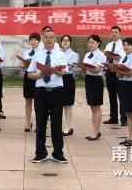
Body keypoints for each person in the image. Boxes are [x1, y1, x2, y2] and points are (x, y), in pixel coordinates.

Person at [27, 30, 68, 164]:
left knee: (57, 123)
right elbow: (29, 74)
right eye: (46, 37)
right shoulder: (37, 55)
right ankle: (40, 153)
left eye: (51, 37)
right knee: (40, 122)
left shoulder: (61, 54)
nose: (49, 40)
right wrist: (39, 75)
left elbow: (63, 73)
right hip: (41, 92)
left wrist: (56, 71)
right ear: (42, 40)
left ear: (55, 39)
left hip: (56, 91)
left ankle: (58, 153)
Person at [114, 38, 132, 146]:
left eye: (128, 45)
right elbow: (118, 74)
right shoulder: (122, 58)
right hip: (123, 85)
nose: (126, 47)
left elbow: (130, 73)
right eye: (124, 44)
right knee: (128, 113)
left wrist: (120, 71)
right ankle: (129, 137)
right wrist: (118, 71)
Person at [82, 34, 106, 141]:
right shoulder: (87, 54)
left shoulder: (101, 55)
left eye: (93, 42)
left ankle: (96, 132)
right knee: (92, 107)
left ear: (98, 43)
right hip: (88, 80)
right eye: (89, 42)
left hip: (96, 80)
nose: (90, 44)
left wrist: (86, 67)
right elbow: (85, 69)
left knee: (96, 106)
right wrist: (82, 68)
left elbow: (97, 69)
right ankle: (94, 130)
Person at [103, 26, 126, 126]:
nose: (114, 34)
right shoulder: (108, 45)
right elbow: (105, 56)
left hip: (118, 71)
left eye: (116, 32)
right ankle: (113, 117)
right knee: (111, 95)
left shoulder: (123, 45)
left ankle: (124, 118)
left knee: (121, 95)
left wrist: (110, 55)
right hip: (109, 71)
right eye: (112, 32)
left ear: (120, 34)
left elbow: (120, 57)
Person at [22, 32, 41, 132]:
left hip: (38, 76)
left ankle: (39, 123)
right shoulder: (26, 52)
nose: (33, 41)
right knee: (28, 100)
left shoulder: (41, 52)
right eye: (31, 40)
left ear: (39, 41)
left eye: (35, 40)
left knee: (38, 102)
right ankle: (28, 122)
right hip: (28, 76)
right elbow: (23, 65)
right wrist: (23, 65)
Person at [61, 34, 78, 136]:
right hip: (59, 78)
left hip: (68, 78)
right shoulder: (58, 53)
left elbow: (69, 67)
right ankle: (67, 126)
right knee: (63, 104)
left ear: (70, 42)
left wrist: (60, 67)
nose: (65, 42)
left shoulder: (74, 54)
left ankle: (68, 127)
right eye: (63, 40)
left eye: (67, 40)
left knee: (68, 104)